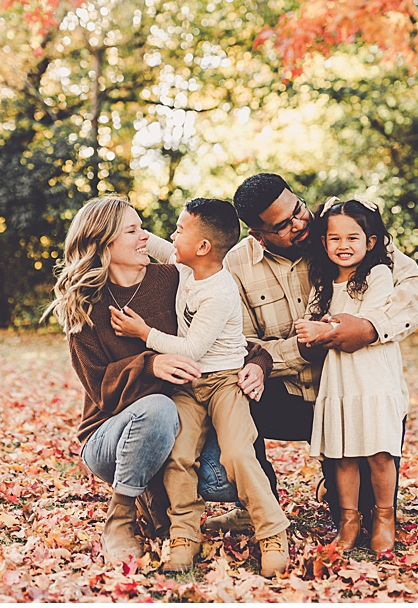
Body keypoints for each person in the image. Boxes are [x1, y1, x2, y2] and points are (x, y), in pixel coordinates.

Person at [201, 174, 418, 544]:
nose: (300, 223)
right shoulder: (236, 266)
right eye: (284, 225)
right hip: (289, 396)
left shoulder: (341, 230)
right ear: (258, 235)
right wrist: (300, 350)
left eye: (298, 209)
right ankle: (258, 505)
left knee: (365, 504)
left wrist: (370, 328)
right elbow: (240, 344)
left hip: (354, 391)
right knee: (233, 394)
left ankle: (356, 498)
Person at [43, 196, 272, 565]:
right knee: (158, 409)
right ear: (104, 242)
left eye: (142, 227)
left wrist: (259, 362)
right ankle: (120, 518)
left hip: (180, 424)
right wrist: (151, 365)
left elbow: (221, 338)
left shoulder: (173, 278)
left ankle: (159, 500)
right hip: (109, 437)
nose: (145, 237)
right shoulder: (85, 306)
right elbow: (100, 388)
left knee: (225, 479)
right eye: (132, 231)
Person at [108, 198, 290, 576]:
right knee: (178, 456)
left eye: (179, 230)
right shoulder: (187, 267)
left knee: (238, 453)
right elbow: (157, 246)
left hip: (225, 383)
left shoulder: (219, 291)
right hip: (189, 385)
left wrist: (143, 333)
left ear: (203, 247)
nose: (171, 236)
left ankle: (272, 533)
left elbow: (191, 349)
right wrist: (130, 234)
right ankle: (184, 536)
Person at [295, 197, 407, 555]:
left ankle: (384, 519)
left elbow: (364, 322)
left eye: (352, 238)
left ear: (370, 242)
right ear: (324, 242)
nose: (343, 246)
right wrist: (312, 331)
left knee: (379, 453)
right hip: (340, 378)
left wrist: (321, 328)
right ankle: (348, 521)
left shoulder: (378, 275)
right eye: (334, 238)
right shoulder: (323, 282)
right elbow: (312, 325)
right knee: (341, 455)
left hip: (373, 374)